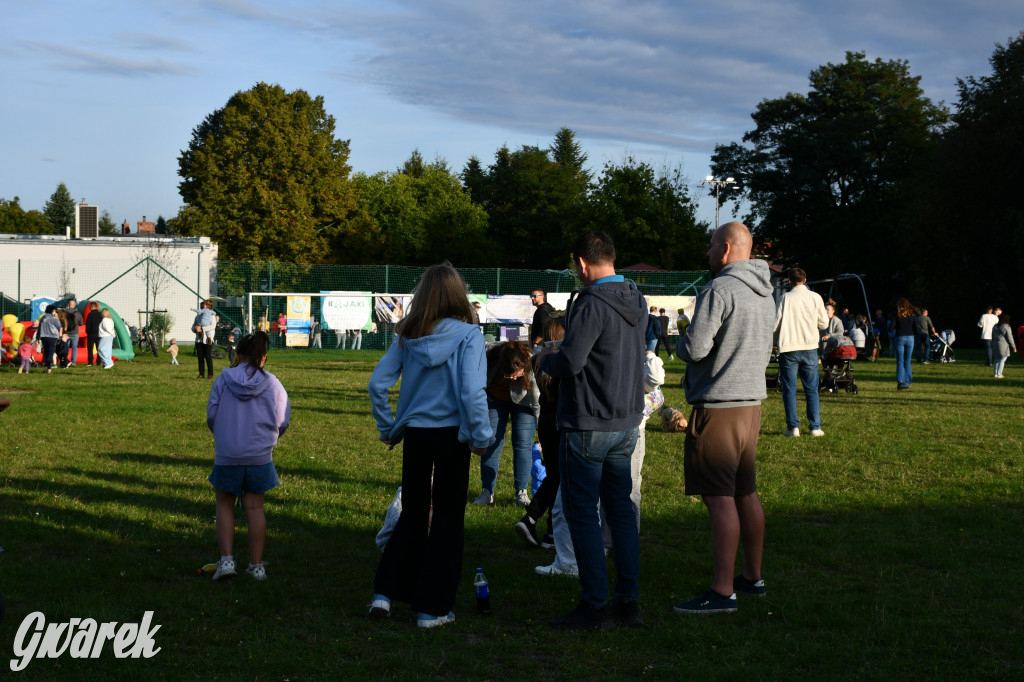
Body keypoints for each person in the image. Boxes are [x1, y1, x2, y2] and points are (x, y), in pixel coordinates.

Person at [367, 263, 492, 629]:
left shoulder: (407, 333)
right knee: (448, 521)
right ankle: (432, 608)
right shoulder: (470, 335)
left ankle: (384, 594)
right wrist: (481, 438)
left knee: (414, 513)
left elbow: (378, 384)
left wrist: (387, 425)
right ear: (458, 295)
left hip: (416, 436)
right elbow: (472, 391)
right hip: (452, 436)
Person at [536, 230, 647, 631]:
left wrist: (544, 360)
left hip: (587, 422)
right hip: (626, 422)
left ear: (582, 264)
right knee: (621, 512)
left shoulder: (589, 303)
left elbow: (571, 363)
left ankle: (595, 605)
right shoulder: (638, 299)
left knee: (582, 513)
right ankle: (627, 603)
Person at [674, 222, 775, 615]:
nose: (708, 253)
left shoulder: (720, 289)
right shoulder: (767, 291)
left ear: (727, 248)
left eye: (712, 245)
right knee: (745, 492)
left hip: (718, 405)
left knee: (719, 500)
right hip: (751, 404)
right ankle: (752, 577)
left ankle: (721, 592)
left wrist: (683, 337)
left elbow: (696, 349)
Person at [206, 331, 290, 582]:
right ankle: (256, 566)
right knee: (254, 508)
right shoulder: (273, 383)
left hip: (228, 454)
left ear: (238, 355)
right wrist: (270, 438)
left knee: (224, 505)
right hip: (259, 456)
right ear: (263, 358)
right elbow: (282, 419)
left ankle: (227, 560)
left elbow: (212, 414)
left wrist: (222, 434)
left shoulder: (223, 379)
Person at [516, 317, 565, 549]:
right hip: (560, 421)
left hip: (545, 421)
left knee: (555, 476)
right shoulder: (561, 361)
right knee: (562, 478)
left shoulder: (538, 360)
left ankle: (540, 526)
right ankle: (544, 527)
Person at [474, 340, 540, 507]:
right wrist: (482, 393)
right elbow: (473, 375)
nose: (512, 378)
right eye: (508, 375)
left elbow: (537, 401)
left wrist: (542, 433)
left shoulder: (531, 362)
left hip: (525, 402)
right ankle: (487, 491)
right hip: (495, 399)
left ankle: (521, 493)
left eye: (516, 374)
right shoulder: (491, 355)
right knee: (491, 441)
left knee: (522, 443)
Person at [774, 268, 828, 438]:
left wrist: (774, 341)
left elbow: (775, 324)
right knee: (811, 389)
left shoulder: (785, 298)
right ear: (805, 280)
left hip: (789, 347)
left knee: (789, 389)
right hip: (809, 346)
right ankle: (814, 426)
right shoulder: (815, 297)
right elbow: (824, 323)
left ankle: (793, 427)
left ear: (789, 282)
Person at [894, 298, 915, 390]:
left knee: (900, 361)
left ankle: (900, 381)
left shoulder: (896, 316)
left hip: (900, 338)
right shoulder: (912, 316)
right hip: (910, 338)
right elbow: (916, 329)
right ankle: (907, 382)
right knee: (907, 361)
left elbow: (891, 328)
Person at [193, 300, 216, 379]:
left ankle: (210, 374)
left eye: (203, 305)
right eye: (201, 306)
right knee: (200, 357)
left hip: (207, 339)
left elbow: (213, 326)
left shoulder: (212, 316)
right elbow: (193, 327)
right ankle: (201, 374)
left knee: (208, 356)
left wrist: (202, 328)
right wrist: (195, 328)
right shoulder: (198, 317)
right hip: (198, 340)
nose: (202, 307)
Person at [37, 306, 62, 374]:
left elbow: (39, 328)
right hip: (52, 337)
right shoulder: (53, 318)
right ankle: (48, 366)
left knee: (46, 352)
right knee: (50, 352)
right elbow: (59, 326)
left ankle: (48, 367)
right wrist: (57, 318)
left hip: (44, 337)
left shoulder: (43, 318)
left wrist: (37, 337)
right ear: (52, 311)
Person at [992, 313, 1016, 378]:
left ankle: (995, 374)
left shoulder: (995, 326)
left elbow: (993, 335)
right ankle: (999, 374)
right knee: (1002, 360)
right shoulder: (1006, 327)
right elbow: (1010, 338)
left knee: (996, 359)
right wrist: (1014, 347)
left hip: (995, 344)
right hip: (1003, 345)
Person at [65, 298, 83, 366]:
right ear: (74, 305)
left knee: (65, 348)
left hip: (66, 333)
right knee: (74, 348)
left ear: (68, 305)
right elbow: (81, 323)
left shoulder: (64, 312)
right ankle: (73, 362)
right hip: (75, 332)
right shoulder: (78, 314)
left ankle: (65, 360)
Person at [85, 301, 102, 366]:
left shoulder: (90, 315)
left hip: (91, 334)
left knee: (90, 349)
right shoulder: (100, 314)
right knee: (99, 349)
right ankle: (99, 362)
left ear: (92, 307)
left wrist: (87, 332)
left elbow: (88, 324)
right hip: (99, 333)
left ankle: (90, 362)